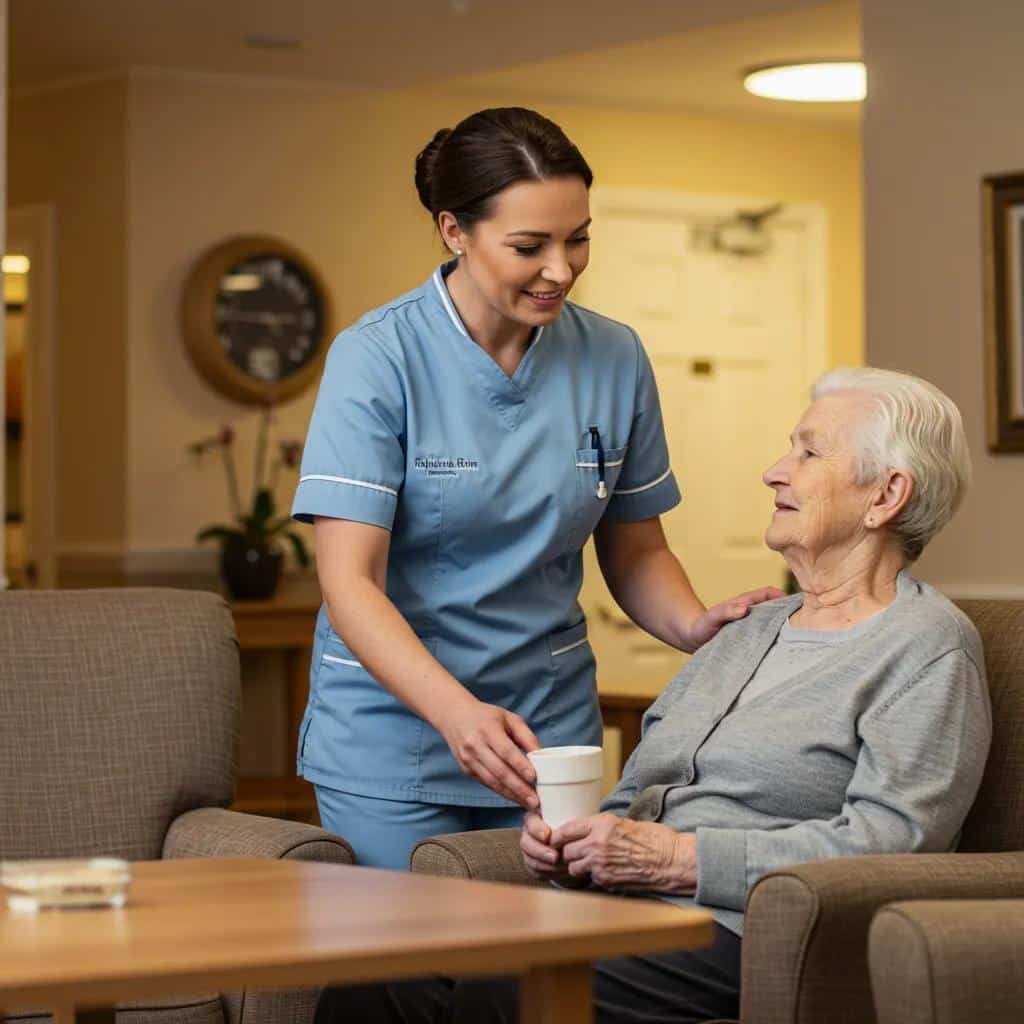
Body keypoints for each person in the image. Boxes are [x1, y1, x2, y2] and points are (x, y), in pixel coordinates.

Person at [315, 366, 993, 1023]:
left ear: (886, 495)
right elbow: (643, 788)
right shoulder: (749, 628)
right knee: (378, 968)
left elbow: (895, 842)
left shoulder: (925, 644)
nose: (775, 470)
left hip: (737, 927)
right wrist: (575, 842)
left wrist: (677, 860)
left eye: (808, 452)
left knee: (502, 990)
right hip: (617, 907)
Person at [290, 107, 780, 870]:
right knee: (408, 978)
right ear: (455, 231)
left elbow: (637, 549)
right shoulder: (378, 358)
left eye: (578, 237)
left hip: (549, 738)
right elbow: (349, 582)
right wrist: (457, 714)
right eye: (530, 246)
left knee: (530, 976)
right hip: (396, 735)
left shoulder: (614, 357)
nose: (561, 268)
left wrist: (693, 628)